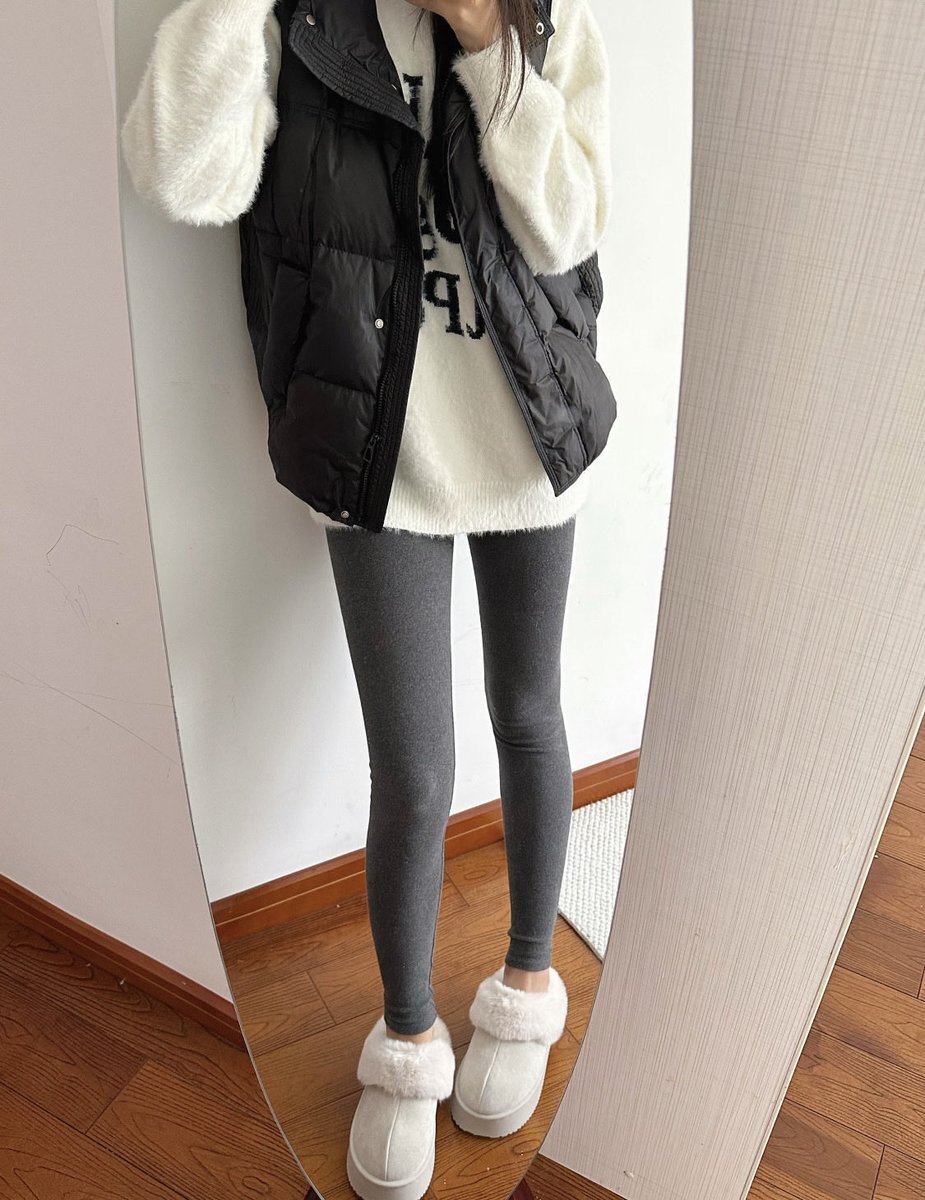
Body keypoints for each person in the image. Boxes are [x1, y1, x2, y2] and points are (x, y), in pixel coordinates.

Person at [122, 1, 614, 1197]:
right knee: (415, 772)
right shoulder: (302, 24)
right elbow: (181, 178)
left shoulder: (549, 23)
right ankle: (405, 1039)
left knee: (531, 715)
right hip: (374, 457)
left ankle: (528, 979)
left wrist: (492, 46)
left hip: (528, 440)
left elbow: (568, 230)